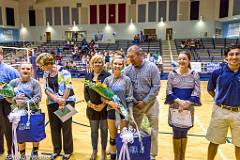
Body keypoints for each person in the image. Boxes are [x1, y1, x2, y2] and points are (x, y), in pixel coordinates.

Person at [36, 53, 76, 160]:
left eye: (42, 65)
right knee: (54, 127)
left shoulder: (64, 72)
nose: (41, 68)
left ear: (48, 63)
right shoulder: (45, 74)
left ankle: (68, 151)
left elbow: (68, 87)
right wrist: (55, 99)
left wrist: (62, 101)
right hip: (52, 102)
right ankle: (56, 150)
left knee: (66, 127)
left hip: (67, 101)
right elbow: (46, 89)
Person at [124, 45, 160, 160]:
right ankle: (135, 153)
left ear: (140, 55)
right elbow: (124, 86)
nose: (130, 59)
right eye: (129, 57)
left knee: (153, 130)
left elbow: (156, 87)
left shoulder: (152, 67)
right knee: (133, 130)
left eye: (132, 57)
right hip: (135, 106)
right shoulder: (127, 70)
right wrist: (135, 101)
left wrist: (144, 102)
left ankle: (152, 155)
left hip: (151, 104)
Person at [165, 51, 201, 160]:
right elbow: (168, 91)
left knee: (184, 132)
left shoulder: (194, 74)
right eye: (180, 59)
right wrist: (179, 102)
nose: (181, 61)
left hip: (188, 107)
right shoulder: (172, 74)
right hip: (175, 107)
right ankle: (177, 157)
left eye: (184, 59)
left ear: (189, 60)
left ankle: (183, 157)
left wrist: (187, 103)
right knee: (176, 132)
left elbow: (197, 92)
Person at [206, 45, 240, 160]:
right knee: (214, 142)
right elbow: (210, 89)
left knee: (239, 145)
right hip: (220, 111)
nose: (234, 57)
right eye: (231, 54)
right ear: (226, 57)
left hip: (239, 113)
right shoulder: (217, 73)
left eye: (237, 54)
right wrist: (218, 99)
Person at [8, 62, 42, 160]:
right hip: (18, 114)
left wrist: (25, 102)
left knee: (34, 133)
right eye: (23, 68)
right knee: (21, 134)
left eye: (28, 69)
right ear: (19, 70)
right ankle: (22, 154)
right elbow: (8, 97)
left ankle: (34, 152)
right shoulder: (13, 83)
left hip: (33, 112)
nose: (25, 70)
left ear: (31, 71)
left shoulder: (35, 83)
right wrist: (15, 100)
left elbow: (38, 98)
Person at [103, 55, 133, 160]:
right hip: (111, 111)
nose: (117, 65)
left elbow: (129, 98)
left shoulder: (127, 80)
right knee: (112, 138)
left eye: (120, 64)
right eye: (115, 63)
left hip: (123, 111)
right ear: (111, 65)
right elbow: (103, 98)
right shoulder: (107, 80)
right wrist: (111, 103)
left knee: (123, 138)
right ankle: (113, 157)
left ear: (123, 65)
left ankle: (122, 156)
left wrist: (130, 113)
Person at [84, 55, 111, 160]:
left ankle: (103, 151)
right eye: (95, 62)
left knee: (104, 130)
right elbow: (86, 93)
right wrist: (90, 104)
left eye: (100, 62)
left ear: (103, 63)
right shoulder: (88, 76)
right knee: (94, 131)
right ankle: (94, 151)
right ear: (92, 63)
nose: (97, 64)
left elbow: (109, 93)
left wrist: (103, 105)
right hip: (92, 109)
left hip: (104, 109)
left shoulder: (107, 75)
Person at [0, 47, 20, 160]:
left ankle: (11, 152)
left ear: (1, 55)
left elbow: (19, 86)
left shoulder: (10, 70)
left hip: (6, 103)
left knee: (8, 128)